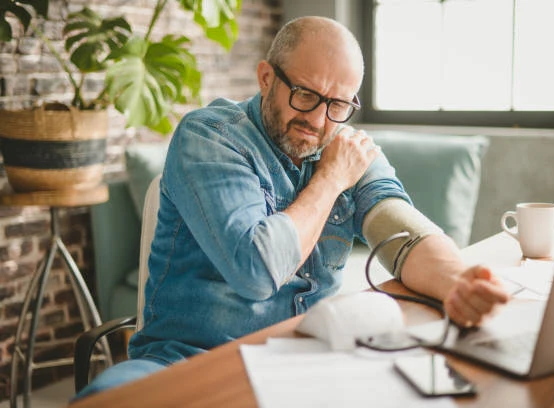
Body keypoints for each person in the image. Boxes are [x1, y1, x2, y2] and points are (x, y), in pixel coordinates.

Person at [74, 16, 509, 400]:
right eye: (305, 94)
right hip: (187, 359)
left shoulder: (348, 147)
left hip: (306, 362)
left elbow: (400, 231)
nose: (320, 120)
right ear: (266, 78)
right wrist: (330, 180)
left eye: (338, 104)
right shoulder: (210, 138)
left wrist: (457, 283)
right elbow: (256, 270)